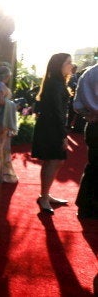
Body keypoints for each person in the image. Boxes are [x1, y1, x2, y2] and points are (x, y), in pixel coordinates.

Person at [31, 53, 74, 214]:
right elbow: (57, 112)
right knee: (53, 160)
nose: (72, 65)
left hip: (51, 126)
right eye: (69, 62)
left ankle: (45, 194)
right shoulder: (55, 84)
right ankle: (43, 197)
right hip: (52, 128)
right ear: (59, 65)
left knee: (54, 161)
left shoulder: (56, 82)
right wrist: (63, 135)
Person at [73, 63, 98, 219]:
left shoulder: (89, 73)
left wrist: (87, 114)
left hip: (93, 125)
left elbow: (77, 104)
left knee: (94, 165)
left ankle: (86, 207)